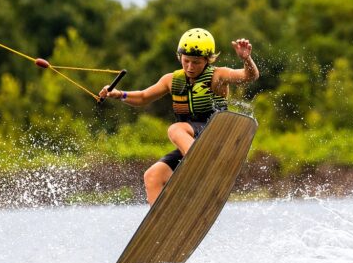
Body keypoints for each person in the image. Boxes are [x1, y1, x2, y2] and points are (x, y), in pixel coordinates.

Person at [99, 28, 259, 205]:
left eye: (196, 62)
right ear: (180, 58)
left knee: (176, 129)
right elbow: (144, 97)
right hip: (191, 142)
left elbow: (248, 76)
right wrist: (119, 94)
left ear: (207, 60)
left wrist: (247, 60)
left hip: (216, 134)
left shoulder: (218, 75)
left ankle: (200, 165)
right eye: (186, 61)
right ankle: (161, 224)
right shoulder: (171, 80)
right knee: (152, 176)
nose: (190, 67)